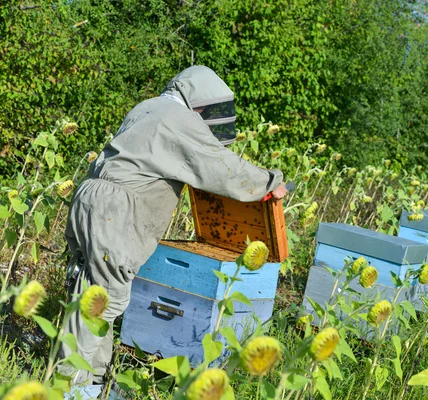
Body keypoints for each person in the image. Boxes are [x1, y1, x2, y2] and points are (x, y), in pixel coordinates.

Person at [59, 65, 287, 389]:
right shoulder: (178, 118)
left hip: (88, 198)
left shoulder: (148, 106)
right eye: (205, 109)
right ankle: (66, 389)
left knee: (89, 293)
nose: (206, 115)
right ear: (197, 100)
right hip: (115, 210)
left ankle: (91, 384)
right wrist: (269, 181)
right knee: (101, 303)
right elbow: (221, 168)